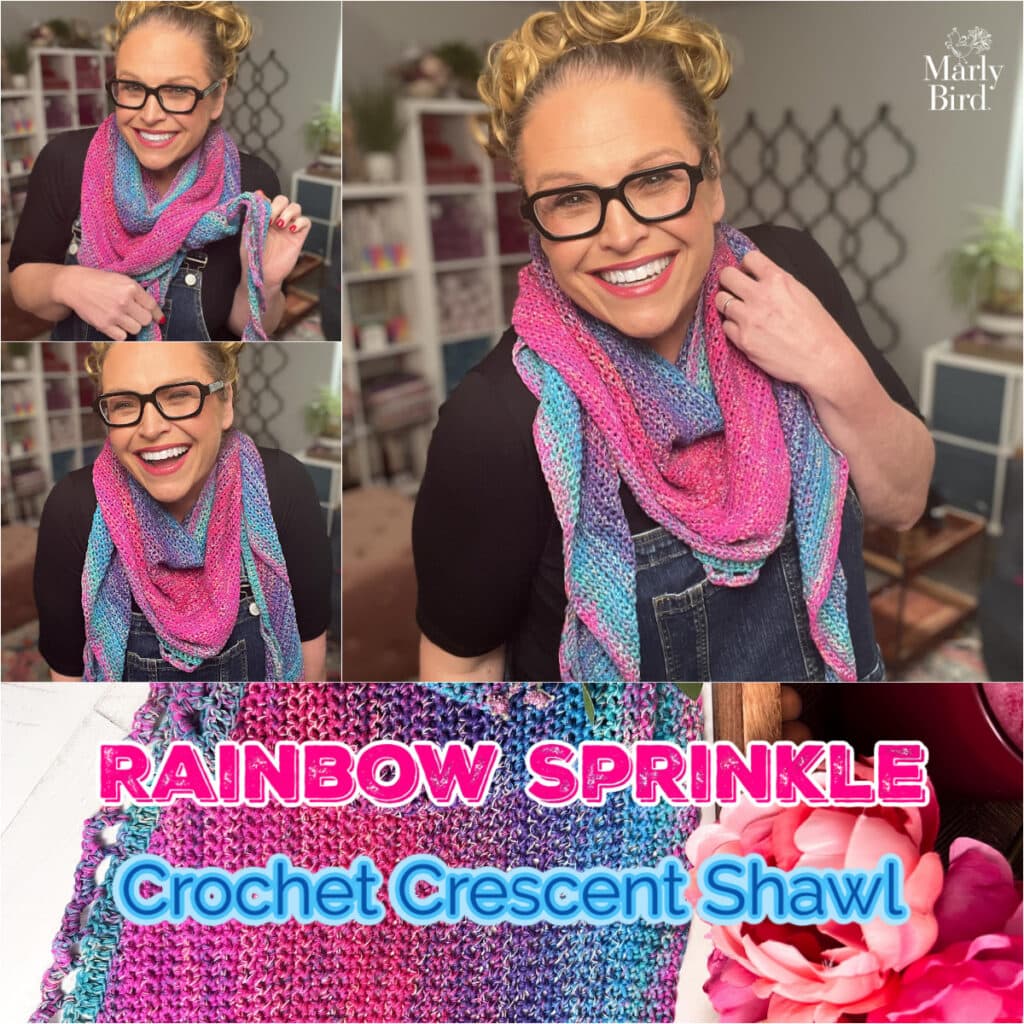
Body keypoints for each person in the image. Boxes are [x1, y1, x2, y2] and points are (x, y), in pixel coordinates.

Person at [413, 1, 935, 684]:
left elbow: (904, 501)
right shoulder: (497, 422)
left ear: (711, 181)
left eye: (654, 179)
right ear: (535, 224)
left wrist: (831, 367)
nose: (621, 233)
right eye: (571, 198)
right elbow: (464, 674)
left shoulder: (785, 276)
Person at [8, 1, 311, 341]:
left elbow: (248, 328)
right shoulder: (65, 160)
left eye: (178, 91)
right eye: (133, 87)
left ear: (217, 97)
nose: (149, 115)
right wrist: (67, 282)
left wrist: (264, 285)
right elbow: (23, 282)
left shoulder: (251, 185)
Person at [33, 342, 331, 681]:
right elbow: (68, 691)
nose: (150, 428)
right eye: (124, 404)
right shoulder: (73, 510)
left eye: (178, 395)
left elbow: (310, 677)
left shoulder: (281, 488)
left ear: (227, 401)